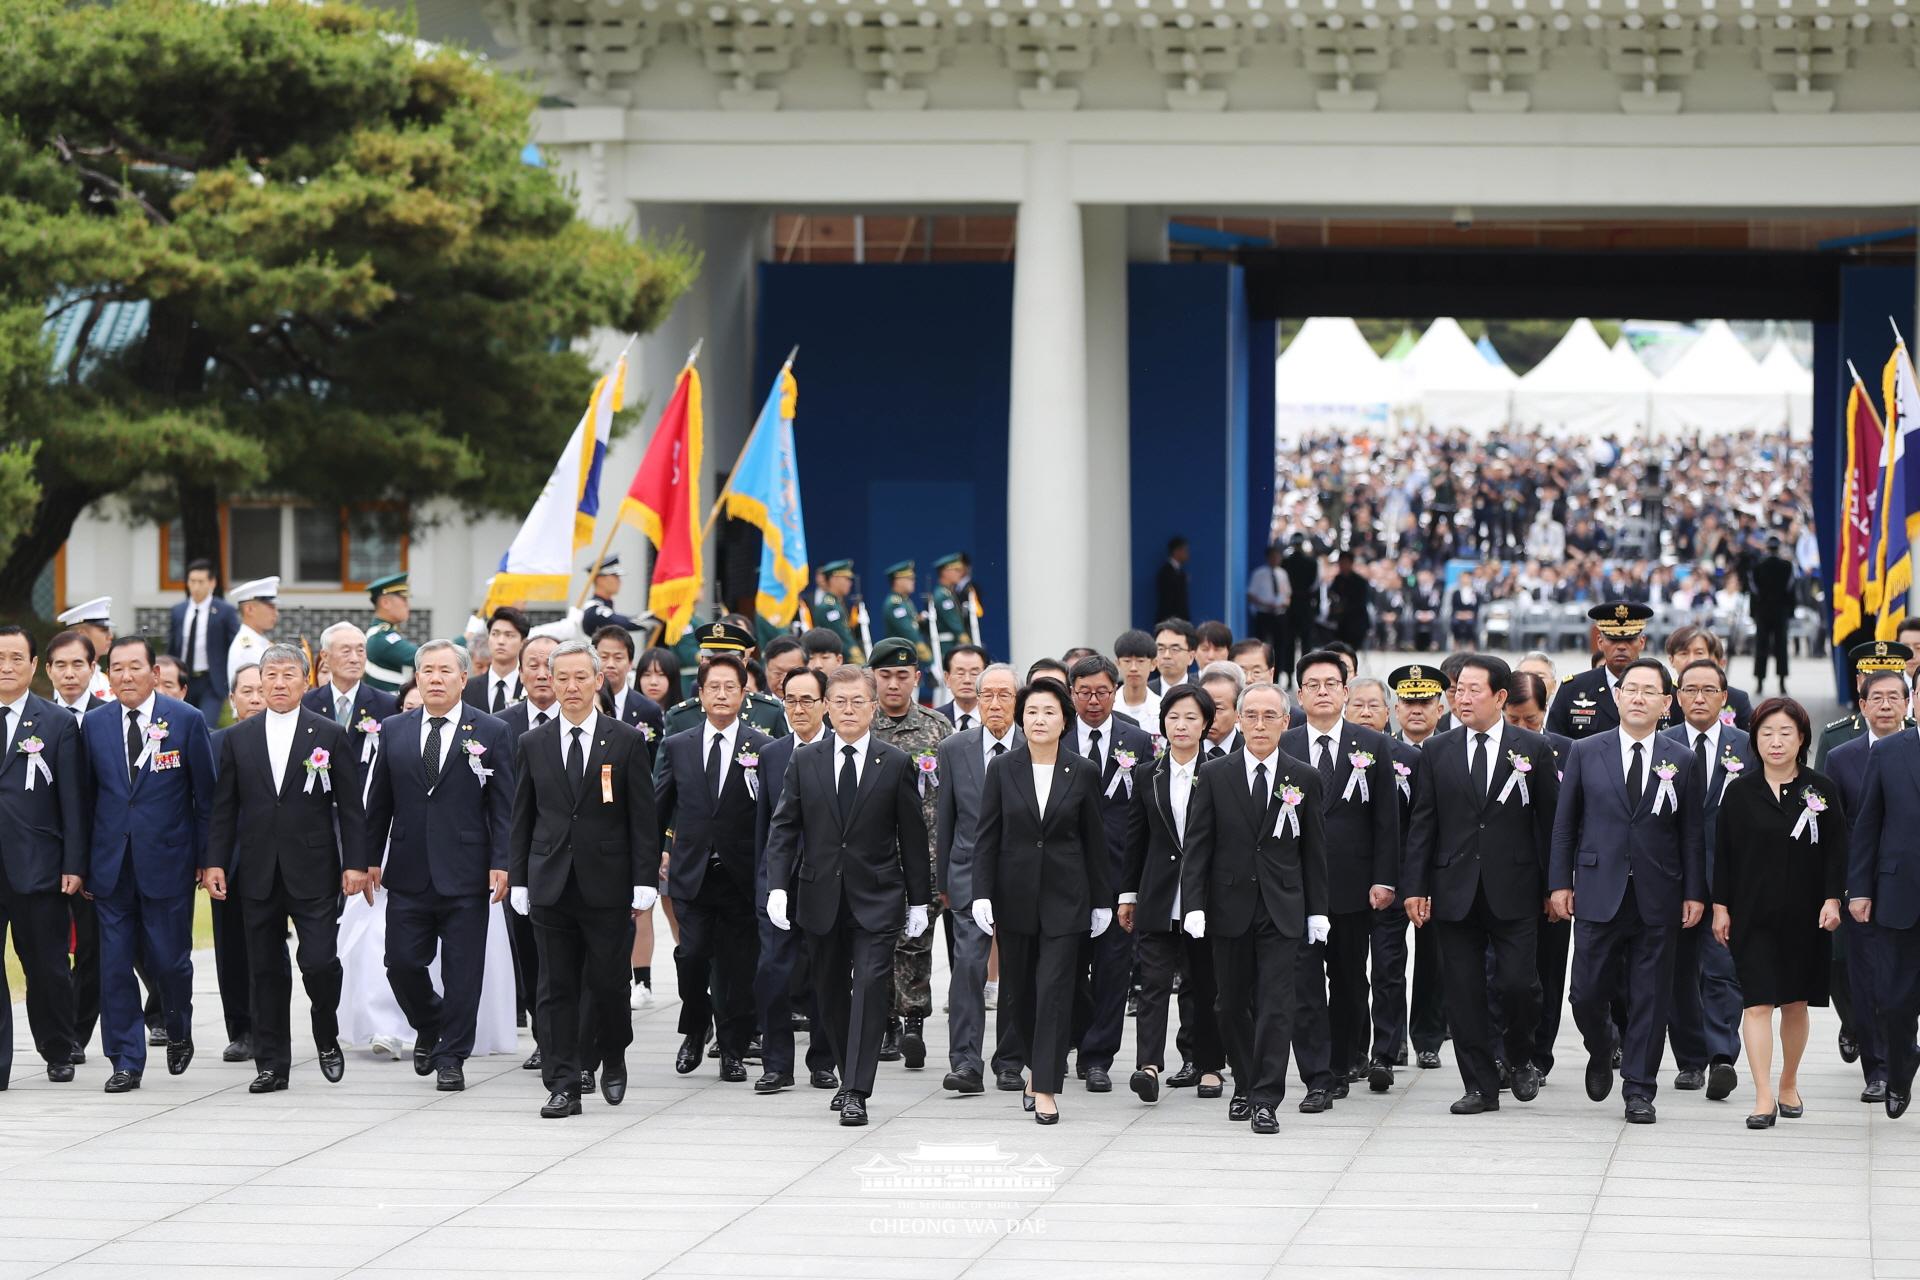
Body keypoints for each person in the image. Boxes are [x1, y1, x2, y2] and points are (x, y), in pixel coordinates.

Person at [764, 665, 933, 1127]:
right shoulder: (806, 761)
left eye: (858, 701)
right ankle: (845, 1074)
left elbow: (913, 837)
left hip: (877, 896)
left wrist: (920, 901)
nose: (848, 710)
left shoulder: (894, 762)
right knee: (831, 992)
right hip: (820, 896)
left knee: (871, 987)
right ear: (826, 708)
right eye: (839, 702)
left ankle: (858, 1088)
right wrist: (777, 886)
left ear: (873, 707)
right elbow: (784, 828)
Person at [1549, 657, 1707, 1124]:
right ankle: (1602, 1047)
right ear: (1617, 697)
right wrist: (1560, 882)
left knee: (1650, 996)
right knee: (1586, 993)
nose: (1637, 697)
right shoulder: (1587, 751)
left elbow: (1692, 833)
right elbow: (1565, 825)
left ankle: (1639, 1089)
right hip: (1598, 889)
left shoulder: (1682, 758)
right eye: (1630, 689)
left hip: (1659, 894)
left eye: (1648, 692)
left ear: (1666, 703)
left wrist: (1694, 892)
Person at [1402, 654, 1560, 1115]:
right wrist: (1416, 886)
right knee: (1464, 992)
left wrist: (1555, 887)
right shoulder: (1437, 750)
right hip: (1454, 887)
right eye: (1458, 690)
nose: (1462, 698)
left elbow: (1548, 824)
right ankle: (1480, 1086)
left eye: (1473, 690)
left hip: (1515, 886)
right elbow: (1423, 823)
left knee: (1517, 985)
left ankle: (1521, 1055)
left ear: (1500, 696)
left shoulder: (1531, 749)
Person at [507, 641, 659, 1118]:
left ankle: (612, 1054)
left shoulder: (626, 740)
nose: (571, 687)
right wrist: (519, 879)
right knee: (554, 987)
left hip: (608, 882)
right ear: (549, 683)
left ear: (599, 681)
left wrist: (643, 878)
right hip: (551, 880)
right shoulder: (533, 742)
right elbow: (522, 817)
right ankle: (563, 1084)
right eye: (562, 678)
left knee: (609, 982)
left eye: (581, 677)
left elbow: (643, 817)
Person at [203, 644, 364, 1093]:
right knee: (266, 971)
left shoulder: (329, 734)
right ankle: (273, 1064)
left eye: (288, 675)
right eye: (270, 675)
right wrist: (214, 861)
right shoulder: (239, 737)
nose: (278, 684)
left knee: (319, 962)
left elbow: (351, 808)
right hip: (255, 870)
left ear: (305, 681)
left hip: (312, 867)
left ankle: (325, 1030)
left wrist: (355, 863)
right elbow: (224, 808)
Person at [362, 640, 514, 1092]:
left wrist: (502, 861)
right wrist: (368, 858)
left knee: (463, 972)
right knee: (401, 963)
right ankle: (430, 1022)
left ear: (463, 679)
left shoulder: (490, 731)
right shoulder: (394, 729)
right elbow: (379, 802)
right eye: (426, 670)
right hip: (408, 869)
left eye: (445, 671)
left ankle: (452, 1056)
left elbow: (503, 806)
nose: (434, 678)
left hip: (467, 871)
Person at [1182, 682, 1331, 1134]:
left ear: (1287, 722)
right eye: (1252, 715)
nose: (1260, 724)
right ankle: (1245, 1083)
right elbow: (1198, 845)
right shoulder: (1215, 773)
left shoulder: (1303, 776)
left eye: (1270, 716)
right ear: (1238, 720)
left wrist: (1317, 911)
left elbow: (1314, 851)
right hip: (1229, 906)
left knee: (1276, 1005)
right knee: (1229, 1005)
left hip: (1282, 906)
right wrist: (1194, 904)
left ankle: (1266, 1097)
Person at [969, 677, 1114, 1125]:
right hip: (1014, 898)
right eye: (1031, 711)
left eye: (1049, 711)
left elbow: (1095, 840)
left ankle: (1045, 1085)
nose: (1039, 719)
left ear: (1064, 719)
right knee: (1018, 996)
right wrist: (981, 893)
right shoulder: (1003, 768)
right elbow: (987, 836)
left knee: (1054, 990)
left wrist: (1102, 900)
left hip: (1066, 899)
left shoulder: (1083, 770)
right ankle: (1037, 1063)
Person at [84, 636, 215, 1093]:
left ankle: (178, 1027)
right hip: (110, 865)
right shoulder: (94, 725)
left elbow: (206, 798)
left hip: (169, 862)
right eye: (116, 668)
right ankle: (125, 1058)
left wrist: (206, 859)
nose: (125, 676)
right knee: (114, 965)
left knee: (170, 962)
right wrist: (81, 864)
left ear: (154, 673)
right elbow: (86, 800)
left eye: (134, 667)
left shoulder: (186, 720)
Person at [1712, 698, 1844, 1127]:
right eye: (1766, 733)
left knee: (1794, 1002)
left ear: (1802, 737)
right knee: (1756, 1003)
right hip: (1752, 914)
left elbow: (1835, 852)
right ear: (1754, 739)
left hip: (1806, 915)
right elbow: (1725, 856)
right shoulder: (1740, 791)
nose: (1776, 741)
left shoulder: (1819, 788)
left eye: (1785, 732)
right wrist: (1720, 906)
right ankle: (1763, 1096)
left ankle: (1788, 1081)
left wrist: (1832, 898)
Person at [1281, 649, 1399, 1097]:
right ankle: (1319, 1072)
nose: (1323, 692)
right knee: (1304, 981)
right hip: (1294, 886)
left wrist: (1384, 878)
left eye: (1332, 684)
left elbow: (1387, 820)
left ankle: (1348, 1057)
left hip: (1353, 886)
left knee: (1349, 979)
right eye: (1314, 685)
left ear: (1346, 692)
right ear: (1300, 693)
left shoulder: (1372, 745)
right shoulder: (1285, 743)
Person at [656, 651, 770, 1084]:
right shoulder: (678, 746)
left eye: (730, 687)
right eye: (713, 687)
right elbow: (658, 808)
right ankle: (696, 1021)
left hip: (741, 877)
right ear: (700, 694)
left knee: (739, 969)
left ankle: (733, 1050)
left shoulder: (761, 747)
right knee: (692, 955)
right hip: (692, 873)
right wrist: (649, 861)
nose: (722, 695)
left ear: (745, 693)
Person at [1119, 682, 1224, 1105]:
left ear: (1205, 725)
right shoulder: (1148, 773)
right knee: (1154, 982)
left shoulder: (1222, 770)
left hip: (1207, 897)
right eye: (1173, 717)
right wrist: (1128, 894)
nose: (1181, 725)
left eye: (1191, 718)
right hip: (1158, 895)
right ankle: (1148, 1066)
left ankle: (1210, 1065)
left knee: (1205, 983)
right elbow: (1135, 838)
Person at [1663, 658, 1755, 1102]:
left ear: (1724, 697)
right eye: (1690, 690)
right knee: (1679, 973)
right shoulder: (1661, 745)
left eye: (1708, 690)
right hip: (1671, 879)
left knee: (1723, 969)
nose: (1699, 698)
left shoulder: (1747, 746)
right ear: (1677, 697)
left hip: (1728, 878)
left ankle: (1722, 1057)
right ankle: (1690, 1061)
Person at [1062, 654, 1156, 1092]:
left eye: (1102, 691)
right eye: (1084, 692)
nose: (1094, 700)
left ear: (1115, 691)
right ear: (1071, 693)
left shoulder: (1135, 740)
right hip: (1066, 871)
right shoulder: (1056, 736)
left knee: (1115, 967)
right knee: (1069, 963)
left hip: (1119, 871)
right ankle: (1073, 1039)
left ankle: (1099, 1056)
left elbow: (1143, 811)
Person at [0, 625, 88, 1087]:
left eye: (16, 657)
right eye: (0, 657)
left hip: (38, 866)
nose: (6, 666)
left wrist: (74, 863)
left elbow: (73, 801)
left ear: (35, 666)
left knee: (47, 965)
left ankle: (58, 1048)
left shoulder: (56, 723)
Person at [1824, 645, 1910, 1104]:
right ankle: (1876, 1069)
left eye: (1895, 697)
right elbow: (1835, 827)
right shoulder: (1843, 755)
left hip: (1908, 884)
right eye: (1876, 698)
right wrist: (1841, 888)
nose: (1885, 706)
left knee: (1902, 984)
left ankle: (1900, 1056)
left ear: (1907, 702)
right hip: (1863, 884)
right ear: (1862, 704)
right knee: (1867, 979)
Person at [863, 636, 951, 1068]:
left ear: (916, 678)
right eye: (885, 676)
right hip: (873, 856)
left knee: (916, 942)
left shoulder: (938, 729)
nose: (893, 685)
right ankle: (883, 1024)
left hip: (926, 856)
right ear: (872, 677)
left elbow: (953, 798)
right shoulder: (861, 725)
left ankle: (913, 1021)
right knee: (877, 943)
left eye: (902, 676)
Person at [752, 666, 839, 1093]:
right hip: (780, 884)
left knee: (825, 974)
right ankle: (776, 1064)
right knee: (773, 973)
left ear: (825, 703)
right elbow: (766, 827)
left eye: (808, 700)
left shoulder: (839, 752)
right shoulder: (771, 754)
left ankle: (824, 1061)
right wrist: (767, 884)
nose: (799, 708)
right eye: (791, 700)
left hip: (825, 882)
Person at [936, 662, 1021, 1095]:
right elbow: (946, 819)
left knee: (1017, 972)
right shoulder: (954, 748)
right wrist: (943, 883)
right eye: (987, 695)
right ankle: (966, 1063)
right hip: (969, 875)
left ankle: (1009, 1061)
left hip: (1023, 876)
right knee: (968, 967)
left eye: (1004, 695)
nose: (995, 704)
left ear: (1017, 700)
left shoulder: (1035, 744)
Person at [1351, 671, 1427, 1075]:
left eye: (1373, 706)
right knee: (1348, 973)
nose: (1365, 713)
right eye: (1358, 705)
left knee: (1388, 968)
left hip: (1393, 883)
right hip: (1345, 883)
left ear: (1388, 713)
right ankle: (1353, 1049)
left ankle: (1387, 1048)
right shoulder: (1336, 754)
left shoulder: (1411, 759)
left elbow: (1419, 829)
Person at [494, 634, 562, 1050]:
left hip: (574, 856)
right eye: (532, 665)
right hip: (524, 859)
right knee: (529, 949)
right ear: (519, 673)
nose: (540, 673)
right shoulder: (500, 725)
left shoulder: (588, 721)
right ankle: (545, 1034)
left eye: (548, 665)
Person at [207, 664, 266, 1064]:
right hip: (229, 862)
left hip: (282, 861)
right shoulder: (216, 743)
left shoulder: (301, 740)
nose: (257, 697)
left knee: (270, 950)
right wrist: (210, 862)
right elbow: (206, 808)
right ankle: (242, 1030)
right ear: (233, 699)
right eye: (247, 691)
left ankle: (270, 1027)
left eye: (263, 689)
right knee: (231, 949)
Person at [1546, 602, 1653, 741]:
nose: (1621, 646)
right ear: (1600, 642)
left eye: (1629, 639)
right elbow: (1556, 744)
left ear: (1642, 642)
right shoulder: (1573, 688)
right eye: (1613, 639)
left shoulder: (1661, 688)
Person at [302, 622, 400, 769]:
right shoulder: (305, 704)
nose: (355, 659)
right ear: (325, 656)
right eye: (346, 651)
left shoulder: (388, 705)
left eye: (360, 651)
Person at [167, 559, 240, 723]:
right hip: (183, 678)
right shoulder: (178, 611)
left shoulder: (225, 611)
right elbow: (172, 648)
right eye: (192, 581)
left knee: (206, 725)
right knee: (178, 723)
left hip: (211, 681)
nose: (196, 587)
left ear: (212, 583)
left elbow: (234, 646)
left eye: (201, 582)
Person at [1663, 625, 1755, 732]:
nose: (1692, 660)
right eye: (1684, 653)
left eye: (1699, 653)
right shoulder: (1662, 697)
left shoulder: (1737, 698)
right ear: (1671, 660)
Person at [594, 625, 667, 743]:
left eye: (618, 658)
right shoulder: (583, 702)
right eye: (604, 657)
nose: (610, 664)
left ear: (630, 663)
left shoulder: (648, 710)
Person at [1750, 536, 1795, 697]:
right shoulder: (1787, 567)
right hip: (1780, 612)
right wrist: (1791, 612)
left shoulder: (1758, 567)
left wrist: (1753, 612)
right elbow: (1791, 591)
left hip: (1762, 612)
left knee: (1761, 647)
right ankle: (1782, 683)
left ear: (1767, 548)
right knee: (1781, 647)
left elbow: (1753, 592)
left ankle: (1759, 683)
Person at [362, 573, 419, 694]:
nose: (408, 605)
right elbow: (423, 657)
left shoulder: (385, 633)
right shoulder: (381, 638)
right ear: (385, 603)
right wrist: (463, 639)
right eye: (404, 599)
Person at [466, 607, 529, 713]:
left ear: (523, 642)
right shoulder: (467, 688)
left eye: (509, 635)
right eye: (495, 634)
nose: (501, 641)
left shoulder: (529, 686)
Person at [225, 577, 280, 689]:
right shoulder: (248, 647)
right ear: (249, 609)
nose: (276, 613)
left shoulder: (257, 640)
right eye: (270, 607)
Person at [810, 560, 865, 666]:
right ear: (834, 579)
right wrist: (861, 663)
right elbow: (843, 639)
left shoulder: (837, 603)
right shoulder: (829, 607)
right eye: (846, 579)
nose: (850, 583)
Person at [1247, 543, 1290, 669]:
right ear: (1268, 558)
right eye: (1273, 557)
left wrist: (1285, 603)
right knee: (1262, 644)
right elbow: (1251, 595)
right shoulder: (1259, 574)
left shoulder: (1282, 574)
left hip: (1279, 613)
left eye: (1278, 557)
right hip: (1264, 613)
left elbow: (1288, 593)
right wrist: (1265, 604)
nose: (1276, 559)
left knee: (1280, 644)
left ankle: (1277, 672)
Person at [581, 554, 644, 636]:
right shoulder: (593, 609)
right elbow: (625, 623)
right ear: (600, 580)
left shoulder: (605, 605)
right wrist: (651, 618)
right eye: (615, 576)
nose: (619, 581)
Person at [1113, 630, 1161, 729]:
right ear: (1118, 664)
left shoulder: (1162, 708)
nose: (1133, 668)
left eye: (1140, 661)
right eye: (1127, 661)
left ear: (1153, 664)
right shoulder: (1108, 707)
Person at [936, 644, 987, 731]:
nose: (967, 680)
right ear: (947, 678)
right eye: (960, 673)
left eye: (974, 673)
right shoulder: (934, 719)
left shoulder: (998, 718)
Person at [1328, 552, 1371, 652]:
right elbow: (1332, 594)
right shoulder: (1337, 579)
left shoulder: (1360, 581)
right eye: (1340, 563)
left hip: (1356, 622)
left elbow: (1361, 602)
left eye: (1344, 563)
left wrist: (1344, 607)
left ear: (1351, 563)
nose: (1342, 565)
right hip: (1340, 622)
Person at [930, 553, 972, 651]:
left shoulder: (948, 593)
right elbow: (955, 625)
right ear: (945, 572)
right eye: (956, 570)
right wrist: (970, 647)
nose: (960, 574)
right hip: (946, 647)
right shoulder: (942, 595)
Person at [1151, 619, 1198, 694]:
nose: (1166, 656)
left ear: (1191, 657)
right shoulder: (1145, 693)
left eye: (1174, 649)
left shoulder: (1203, 692)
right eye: (1161, 649)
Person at [1155, 537, 1191, 624]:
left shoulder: (1180, 572)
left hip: (1180, 620)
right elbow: (1169, 598)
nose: (1187, 554)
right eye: (1185, 551)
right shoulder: (1166, 572)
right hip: (1170, 620)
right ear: (1176, 551)